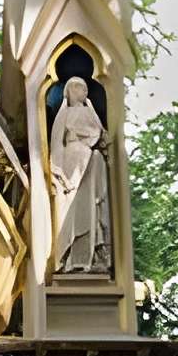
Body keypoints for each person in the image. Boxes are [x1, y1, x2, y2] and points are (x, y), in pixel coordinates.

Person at [49, 76, 111, 274]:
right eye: (77, 88)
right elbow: (57, 143)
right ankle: (67, 257)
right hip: (69, 167)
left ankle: (87, 257)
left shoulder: (89, 112)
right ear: (69, 91)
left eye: (84, 88)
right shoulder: (64, 113)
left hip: (89, 165)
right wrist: (58, 171)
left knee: (89, 211)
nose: (82, 92)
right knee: (68, 213)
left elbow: (99, 135)